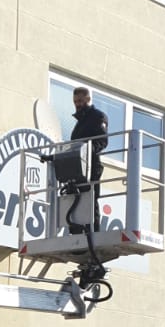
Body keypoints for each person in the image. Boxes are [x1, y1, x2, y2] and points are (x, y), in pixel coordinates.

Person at [70, 86, 109, 230]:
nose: (77, 104)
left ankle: (93, 232)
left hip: (91, 166)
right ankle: (77, 231)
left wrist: (84, 151)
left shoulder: (98, 117)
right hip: (77, 168)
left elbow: (102, 142)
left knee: (90, 200)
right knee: (76, 199)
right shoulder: (79, 124)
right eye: (75, 101)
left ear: (88, 99)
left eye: (80, 101)